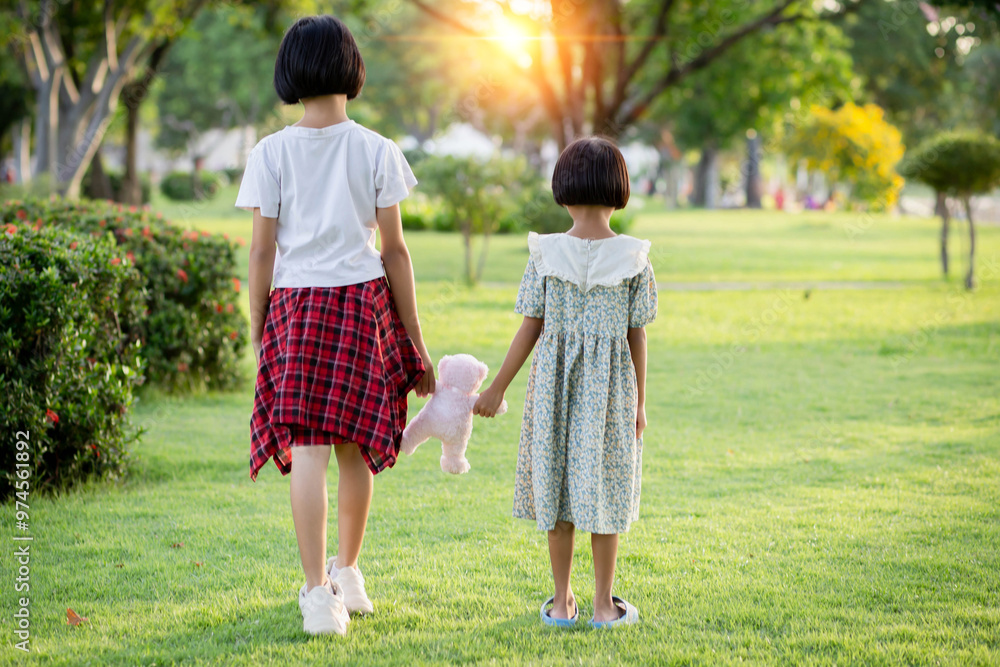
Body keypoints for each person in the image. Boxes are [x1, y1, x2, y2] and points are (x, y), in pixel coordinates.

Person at [235, 15, 435, 636]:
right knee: (355, 452)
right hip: (361, 306)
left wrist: (258, 325)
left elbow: (261, 253)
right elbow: (396, 250)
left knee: (310, 451)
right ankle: (347, 571)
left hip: (297, 310)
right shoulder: (376, 148)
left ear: (289, 73)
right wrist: (415, 340)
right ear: (352, 69)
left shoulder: (270, 153)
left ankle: (319, 594)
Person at [474, 137, 656, 628]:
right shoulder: (635, 257)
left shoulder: (545, 253)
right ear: (619, 189)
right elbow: (637, 335)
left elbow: (529, 326)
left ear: (563, 189)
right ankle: (602, 606)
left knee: (557, 492)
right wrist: (639, 402)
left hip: (553, 391)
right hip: (611, 393)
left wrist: (498, 388)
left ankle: (560, 603)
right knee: (605, 492)